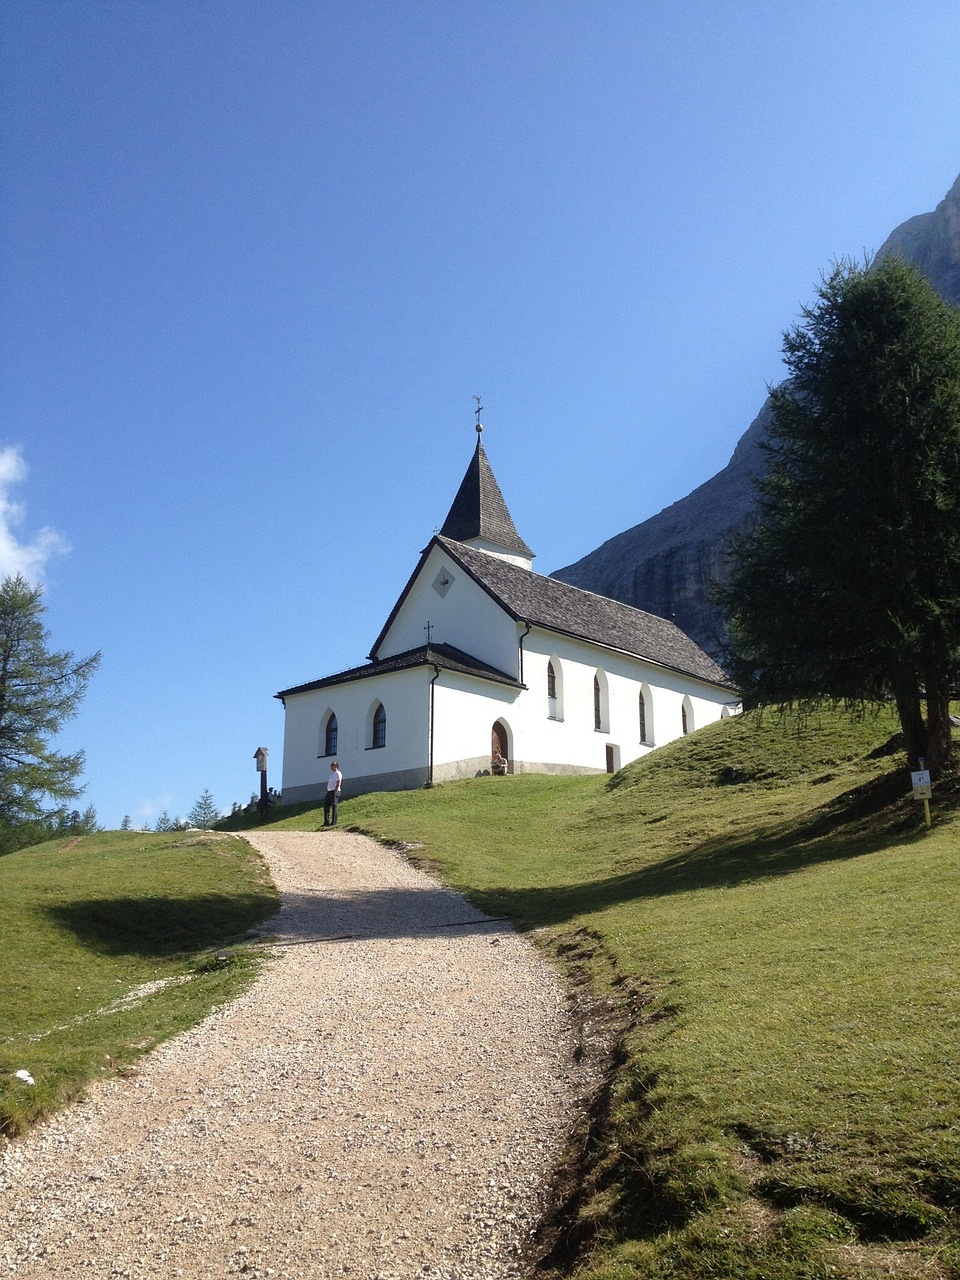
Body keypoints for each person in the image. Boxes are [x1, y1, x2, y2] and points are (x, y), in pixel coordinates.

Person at [323, 761, 342, 826]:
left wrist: (335, 791)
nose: (331, 767)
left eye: (333, 765)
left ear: (336, 766)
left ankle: (334, 822)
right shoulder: (332, 774)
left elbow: (338, 782)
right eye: (331, 765)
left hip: (334, 791)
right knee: (326, 806)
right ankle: (326, 822)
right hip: (330, 791)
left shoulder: (337, 773)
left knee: (334, 806)